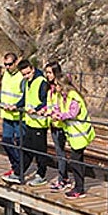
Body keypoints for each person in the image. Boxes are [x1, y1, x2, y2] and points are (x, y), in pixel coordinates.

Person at [51, 72, 95, 199]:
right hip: (75, 134)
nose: (56, 88)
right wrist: (54, 112)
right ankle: (79, 186)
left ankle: (79, 188)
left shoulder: (74, 97)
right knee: (77, 161)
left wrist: (59, 116)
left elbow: (72, 113)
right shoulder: (63, 96)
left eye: (57, 85)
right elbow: (60, 108)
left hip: (80, 134)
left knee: (75, 162)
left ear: (63, 86)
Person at [0, 53, 25, 183]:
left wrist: (16, 106)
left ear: (16, 63)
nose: (7, 67)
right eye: (5, 65)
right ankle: (16, 168)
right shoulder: (5, 74)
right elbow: (3, 90)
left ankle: (19, 170)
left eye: (10, 64)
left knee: (20, 144)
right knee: (6, 141)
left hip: (18, 116)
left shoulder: (21, 76)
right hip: (6, 114)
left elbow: (25, 95)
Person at [19, 59, 51, 185]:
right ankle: (18, 172)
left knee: (40, 151)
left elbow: (46, 101)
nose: (26, 76)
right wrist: (15, 105)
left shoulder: (41, 82)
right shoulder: (28, 82)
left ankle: (41, 174)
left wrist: (36, 109)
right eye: (24, 75)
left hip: (39, 122)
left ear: (32, 69)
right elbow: (25, 99)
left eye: (28, 73)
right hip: (30, 121)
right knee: (26, 148)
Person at [44, 61, 69, 191]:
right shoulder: (51, 88)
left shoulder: (61, 88)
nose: (47, 75)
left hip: (61, 124)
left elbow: (66, 105)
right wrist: (46, 111)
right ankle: (63, 178)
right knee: (59, 152)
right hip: (53, 123)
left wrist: (58, 115)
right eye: (46, 72)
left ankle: (63, 179)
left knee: (61, 153)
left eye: (49, 72)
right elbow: (51, 104)